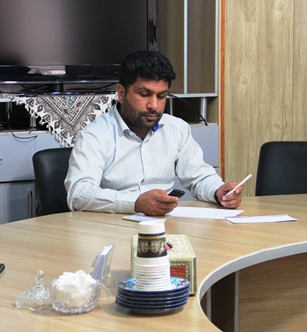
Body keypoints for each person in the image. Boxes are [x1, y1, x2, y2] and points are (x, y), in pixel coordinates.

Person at [65, 50, 244, 215]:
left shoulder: (176, 128)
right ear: (121, 93)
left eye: (161, 96)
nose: (154, 106)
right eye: (144, 94)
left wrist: (218, 191)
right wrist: (135, 203)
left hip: (164, 227)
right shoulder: (95, 135)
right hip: (111, 228)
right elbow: (79, 194)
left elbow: (198, 176)